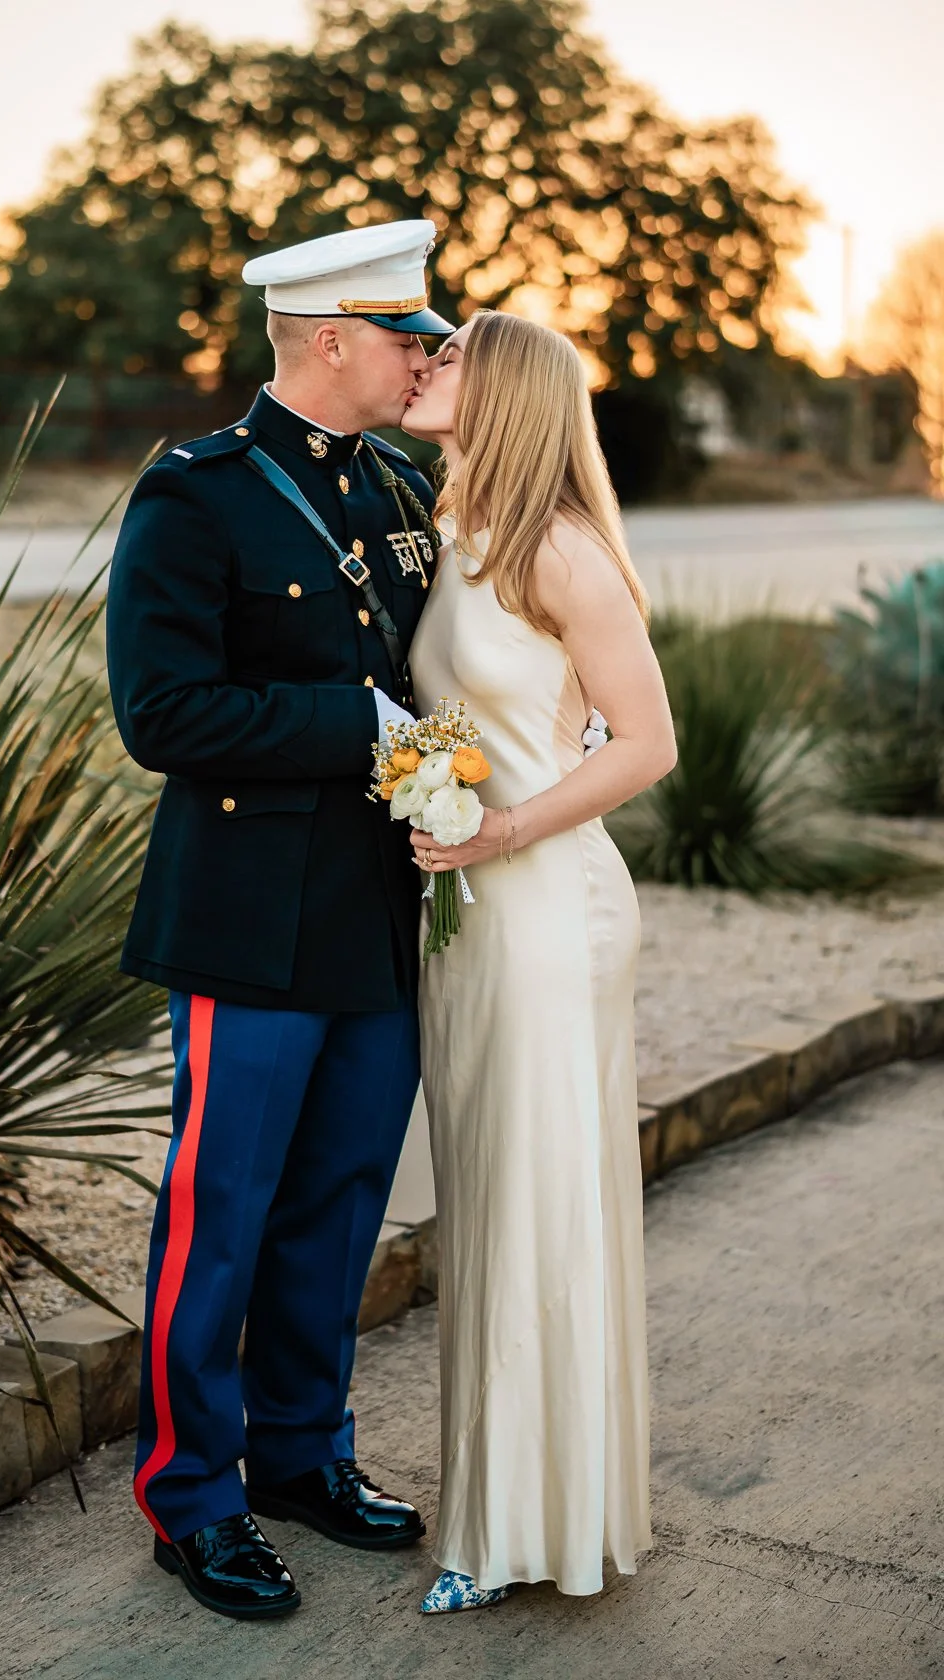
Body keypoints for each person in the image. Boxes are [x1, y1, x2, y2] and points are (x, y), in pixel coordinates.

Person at [105, 220, 454, 1622]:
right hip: (248, 917)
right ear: (327, 339)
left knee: (338, 1204)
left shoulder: (395, 480)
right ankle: (191, 1496)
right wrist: (347, 721)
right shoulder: (195, 496)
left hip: (372, 908)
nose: (425, 352)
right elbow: (161, 714)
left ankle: (303, 1454)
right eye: (405, 333)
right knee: (223, 1214)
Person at [400, 310, 677, 1612]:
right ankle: (504, 1502)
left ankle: (517, 1531)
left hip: (552, 913)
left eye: (447, 353)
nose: (423, 359)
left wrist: (505, 821)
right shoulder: (454, 534)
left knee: (537, 1212)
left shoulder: (562, 550)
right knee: (491, 1204)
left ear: (503, 392)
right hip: (467, 921)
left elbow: (645, 742)